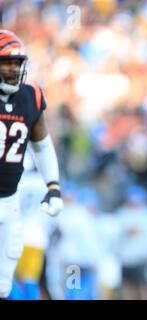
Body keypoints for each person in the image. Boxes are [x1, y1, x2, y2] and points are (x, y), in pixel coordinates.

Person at [0, 30, 63, 299]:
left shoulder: (30, 97)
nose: (14, 69)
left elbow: (42, 144)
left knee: (6, 275)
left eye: (17, 63)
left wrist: (53, 185)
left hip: (10, 198)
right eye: (7, 62)